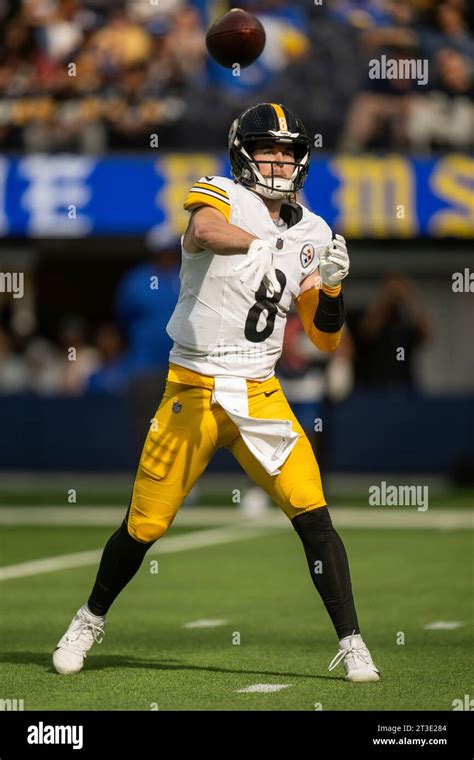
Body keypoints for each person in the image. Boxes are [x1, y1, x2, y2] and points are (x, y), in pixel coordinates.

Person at [52, 102, 379, 683]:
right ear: (242, 153)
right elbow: (203, 231)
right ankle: (88, 617)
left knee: (314, 515)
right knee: (144, 526)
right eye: (267, 149)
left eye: (288, 151)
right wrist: (258, 245)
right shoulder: (221, 193)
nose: (278, 161)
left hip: (261, 391)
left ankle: (353, 642)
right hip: (194, 386)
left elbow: (325, 339)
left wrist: (331, 288)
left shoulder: (314, 231)